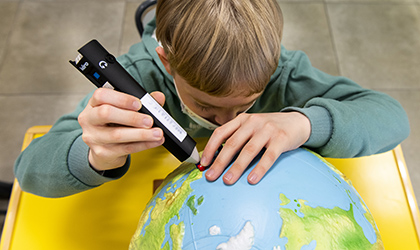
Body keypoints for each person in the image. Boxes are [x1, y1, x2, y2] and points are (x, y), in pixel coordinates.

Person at [14, 0, 409, 197]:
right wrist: (94, 156)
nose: (226, 121)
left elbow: (392, 117)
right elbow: (29, 169)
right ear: (167, 63)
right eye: (206, 106)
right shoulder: (136, 78)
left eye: (248, 103)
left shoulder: (286, 73)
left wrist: (304, 122)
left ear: (272, 66)